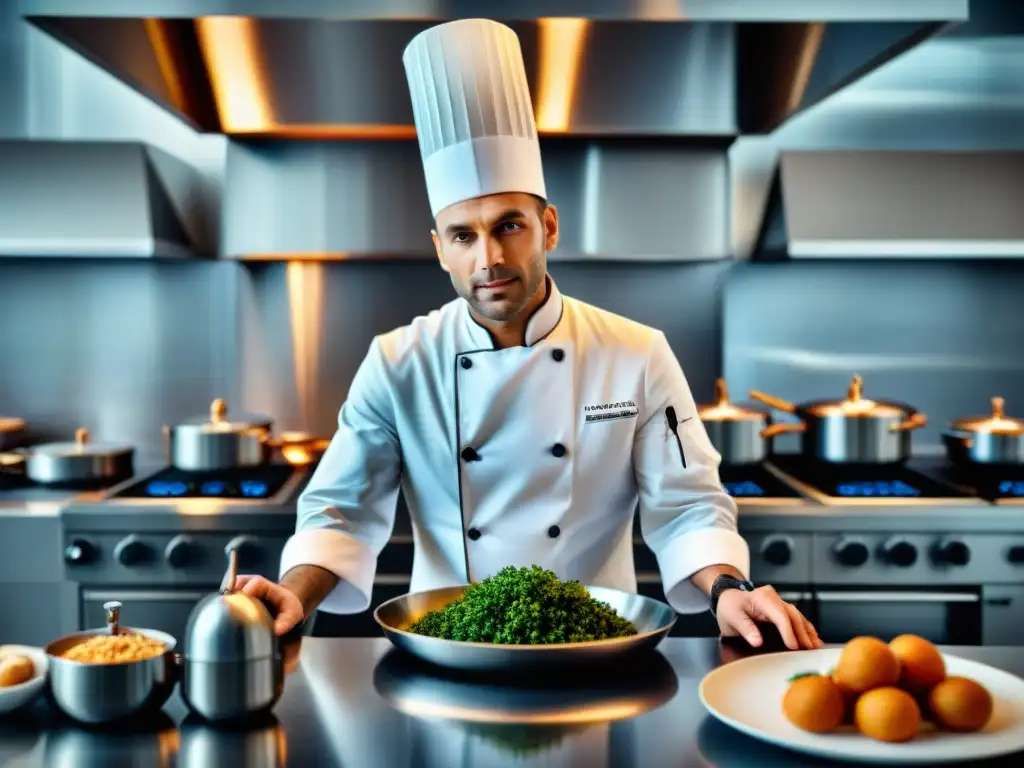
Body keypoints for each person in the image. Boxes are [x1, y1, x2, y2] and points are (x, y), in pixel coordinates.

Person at [236, 18, 822, 652]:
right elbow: (340, 513)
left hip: (596, 651)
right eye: (463, 235)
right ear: (440, 250)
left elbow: (688, 504)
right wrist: (295, 592)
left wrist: (727, 587)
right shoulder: (398, 362)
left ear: (548, 226)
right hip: (447, 645)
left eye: (509, 225)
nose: (487, 257)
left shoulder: (636, 353)